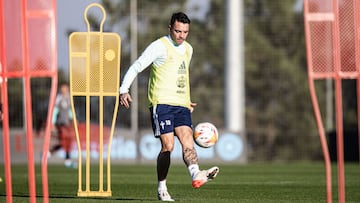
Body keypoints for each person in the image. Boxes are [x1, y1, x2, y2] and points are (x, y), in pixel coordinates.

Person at [119, 12, 219, 201]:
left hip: (181, 104)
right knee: (168, 146)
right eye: (178, 31)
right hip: (161, 103)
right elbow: (137, 66)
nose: (181, 35)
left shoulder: (188, 49)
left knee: (188, 140)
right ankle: (162, 187)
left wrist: (186, 99)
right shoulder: (159, 46)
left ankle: (196, 174)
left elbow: (181, 77)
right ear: (170, 29)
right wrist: (123, 89)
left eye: (185, 32)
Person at [50, 83, 75, 168]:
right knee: (65, 141)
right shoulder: (59, 98)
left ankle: (66, 159)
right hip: (60, 123)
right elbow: (55, 110)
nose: (64, 90)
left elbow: (69, 110)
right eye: (63, 88)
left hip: (67, 123)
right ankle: (50, 153)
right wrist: (52, 122)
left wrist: (73, 119)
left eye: (66, 88)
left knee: (67, 141)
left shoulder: (69, 98)